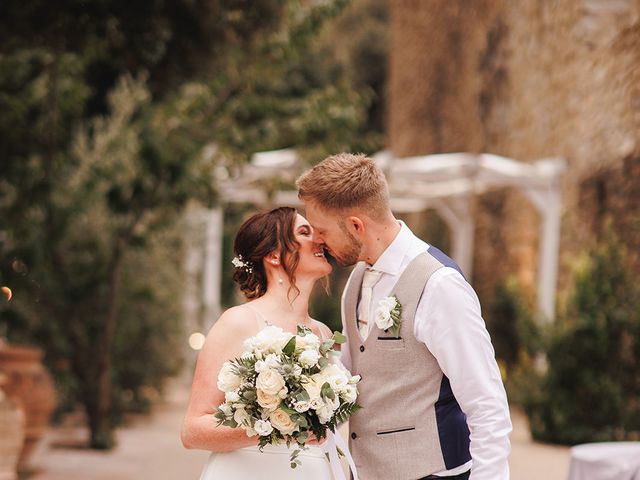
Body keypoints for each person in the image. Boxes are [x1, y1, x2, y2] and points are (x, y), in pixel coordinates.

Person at [296, 153, 512, 480]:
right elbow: (357, 371)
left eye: (323, 231)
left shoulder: (439, 285)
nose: (318, 241)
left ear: (356, 225)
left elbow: (487, 404)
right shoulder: (355, 281)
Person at [181, 207, 337, 479]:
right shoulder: (239, 322)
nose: (319, 240)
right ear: (274, 255)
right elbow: (192, 431)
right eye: (304, 232)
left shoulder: (323, 333)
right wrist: (279, 427)